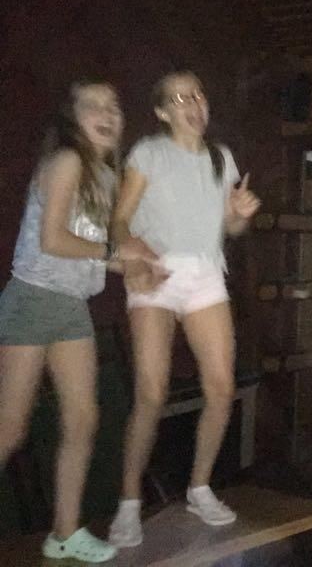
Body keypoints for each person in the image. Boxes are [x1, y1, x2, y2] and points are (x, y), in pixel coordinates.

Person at [0, 80, 157, 562]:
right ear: (72, 119)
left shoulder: (105, 176)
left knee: (83, 418)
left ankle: (65, 533)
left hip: (70, 305)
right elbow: (53, 241)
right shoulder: (67, 161)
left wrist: (135, 267)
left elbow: (89, 253)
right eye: (94, 107)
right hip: (33, 298)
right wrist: (117, 254)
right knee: (10, 427)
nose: (107, 114)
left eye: (114, 106)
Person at [108, 71, 260, 547]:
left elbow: (230, 230)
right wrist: (133, 255)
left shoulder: (221, 157)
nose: (194, 104)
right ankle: (129, 501)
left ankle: (199, 487)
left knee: (221, 387)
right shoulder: (148, 153)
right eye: (180, 98)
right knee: (152, 393)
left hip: (204, 273)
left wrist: (239, 215)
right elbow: (119, 219)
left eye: (198, 94)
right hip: (156, 271)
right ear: (162, 111)